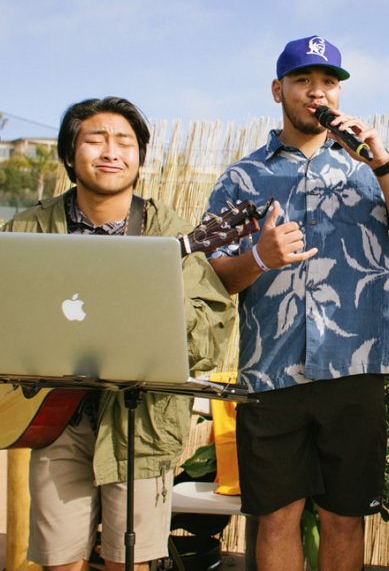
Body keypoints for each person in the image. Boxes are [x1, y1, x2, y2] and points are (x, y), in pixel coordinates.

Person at [206, 35, 389, 571]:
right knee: (277, 517)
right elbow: (216, 279)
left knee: (343, 516)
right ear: (276, 89)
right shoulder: (243, 177)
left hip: (356, 367)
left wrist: (383, 162)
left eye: (328, 81)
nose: (317, 92)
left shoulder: (372, 169)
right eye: (303, 81)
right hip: (271, 373)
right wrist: (258, 258)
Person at [2, 97, 235, 571]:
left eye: (124, 141)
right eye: (96, 139)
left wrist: (153, 306)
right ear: (69, 155)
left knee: (130, 562)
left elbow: (209, 329)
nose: (111, 151)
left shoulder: (165, 230)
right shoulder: (27, 228)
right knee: (58, 560)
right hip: (52, 415)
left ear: (139, 159)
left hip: (138, 421)